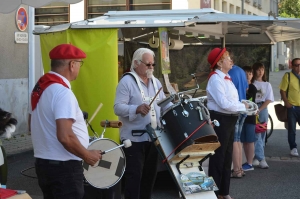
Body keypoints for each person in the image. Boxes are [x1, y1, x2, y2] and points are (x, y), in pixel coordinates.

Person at [29, 44, 102, 199]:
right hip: (64, 168)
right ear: (72, 64)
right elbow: (65, 136)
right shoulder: (62, 93)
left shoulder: (39, 89)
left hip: (45, 164)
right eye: (79, 63)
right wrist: (87, 155)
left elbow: (31, 125)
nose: (79, 68)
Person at [114, 48, 171, 199]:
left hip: (153, 137)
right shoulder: (126, 81)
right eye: (148, 64)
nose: (151, 67)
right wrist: (136, 108)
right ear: (136, 63)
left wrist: (174, 106)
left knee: (149, 178)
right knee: (134, 178)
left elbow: (164, 104)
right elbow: (117, 107)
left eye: (153, 64)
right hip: (133, 140)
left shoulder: (156, 82)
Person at [206, 47, 248, 199]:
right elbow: (224, 103)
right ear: (219, 63)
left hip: (229, 118)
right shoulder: (215, 79)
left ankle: (224, 191)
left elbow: (233, 101)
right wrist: (243, 107)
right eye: (228, 58)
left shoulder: (226, 78)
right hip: (220, 119)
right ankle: (215, 193)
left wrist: (245, 106)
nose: (231, 60)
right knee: (218, 156)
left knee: (227, 156)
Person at [251, 62, 274, 169]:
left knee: (262, 133)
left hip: (263, 109)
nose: (260, 72)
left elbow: (269, 99)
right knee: (256, 133)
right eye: (258, 69)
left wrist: (260, 109)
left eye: (262, 70)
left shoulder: (267, 84)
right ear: (254, 70)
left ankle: (257, 156)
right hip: (253, 108)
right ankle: (261, 158)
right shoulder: (251, 84)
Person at [228, 65, 248, 178]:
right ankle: (240, 168)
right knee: (238, 139)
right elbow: (246, 88)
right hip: (243, 107)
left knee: (234, 140)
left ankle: (236, 170)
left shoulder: (229, 73)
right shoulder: (241, 70)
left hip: (235, 109)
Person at [279, 58, 300, 157]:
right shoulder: (288, 76)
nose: (298, 67)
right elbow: (282, 90)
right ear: (292, 66)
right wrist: (287, 103)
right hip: (292, 107)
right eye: (296, 65)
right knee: (292, 129)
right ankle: (293, 147)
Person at [241, 66, 257, 171]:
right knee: (243, 141)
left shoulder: (252, 88)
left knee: (250, 141)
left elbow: (249, 100)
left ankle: (250, 163)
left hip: (250, 118)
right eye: (246, 73)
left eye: (250, 74)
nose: (248, 76)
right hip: (241, 117)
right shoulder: (239, 86)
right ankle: (246, 161)